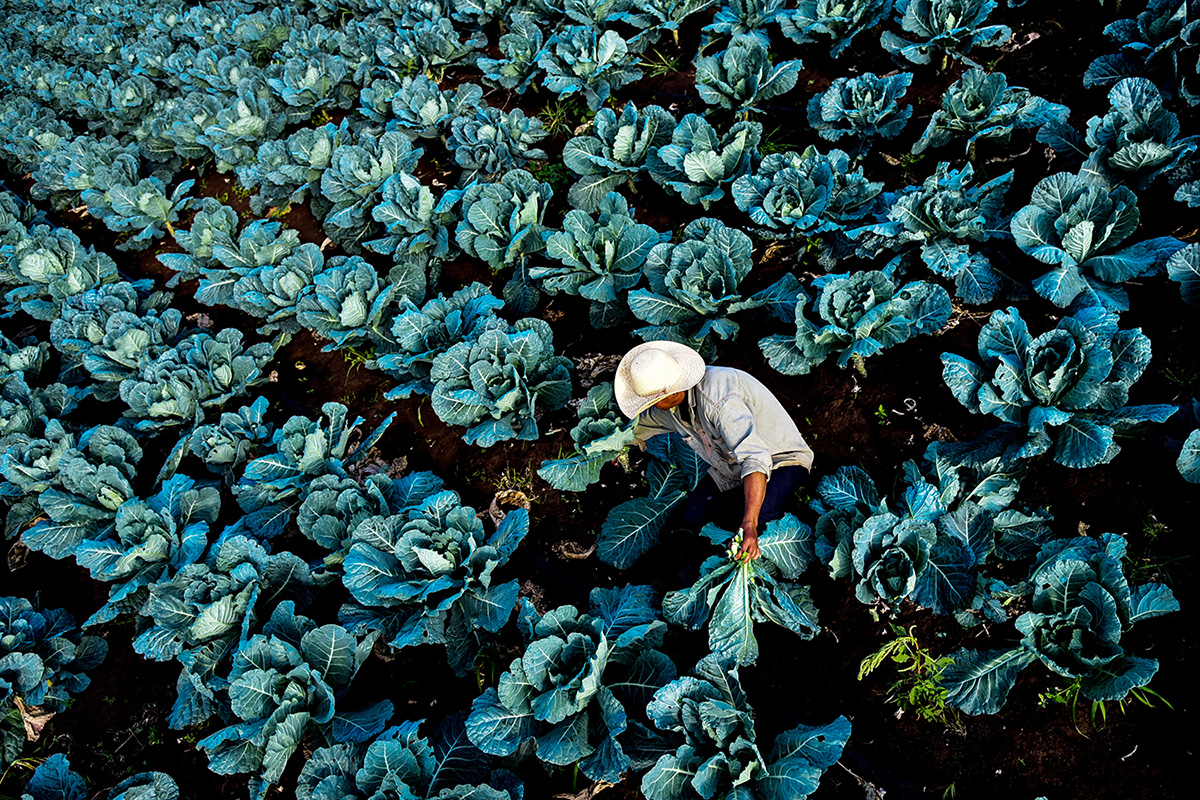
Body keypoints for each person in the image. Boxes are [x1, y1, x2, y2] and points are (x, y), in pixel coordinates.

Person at [614, 341, 813, 561]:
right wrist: (614, 445)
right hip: (730, 469)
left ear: (670, 394)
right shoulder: (671, 406)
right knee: (692, 519)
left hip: (780, 461)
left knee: (761, 523)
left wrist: (749, 524)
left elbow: (755, 458)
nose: (648, 406)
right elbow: (640, 427)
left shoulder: (719, 401)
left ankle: (783, 545)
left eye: (651, 401)